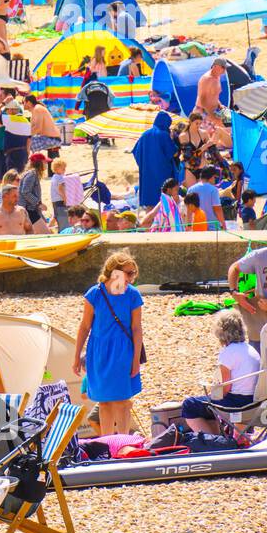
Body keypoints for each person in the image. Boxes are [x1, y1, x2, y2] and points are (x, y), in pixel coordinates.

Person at [73, 251, 144, 438]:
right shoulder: (95, 294)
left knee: (122, 401)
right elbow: (84, 327)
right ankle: (106, 444)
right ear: (115, 272)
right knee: (103, 402)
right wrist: (76, 356)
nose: (132, 278)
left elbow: (137, 329)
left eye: (133, 273)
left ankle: (123, 442)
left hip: (123, 351)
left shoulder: (133, 295)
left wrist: (136, 359)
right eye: (129, 273)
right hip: (98, 352)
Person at [180, 313, 261, 436]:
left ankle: (211, 442)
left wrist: (213, 392)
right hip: (254, 402)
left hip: (237, 403)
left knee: (190, 405)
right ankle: (219, 438)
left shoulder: (228, 353)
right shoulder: (251, 349)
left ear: (221, 332)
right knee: (207, 404)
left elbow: (225, 389)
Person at [131, 110, 178, 209]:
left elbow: (136, 152)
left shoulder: (145, 134)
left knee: (150, 203)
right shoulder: (164, 135)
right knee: (163, 202)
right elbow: (173, 153)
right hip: (163, 172)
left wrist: (145, 164)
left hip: (147, 173)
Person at [187, 165, 226, 230]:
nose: (214, 180)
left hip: (197, 228)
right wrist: (224, 226)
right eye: (214, 177)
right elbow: (217, 209)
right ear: (211, 177)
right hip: (212, 228)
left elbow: (189, 211)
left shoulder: (190, 189)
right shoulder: (213, 190)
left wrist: (188, 225)